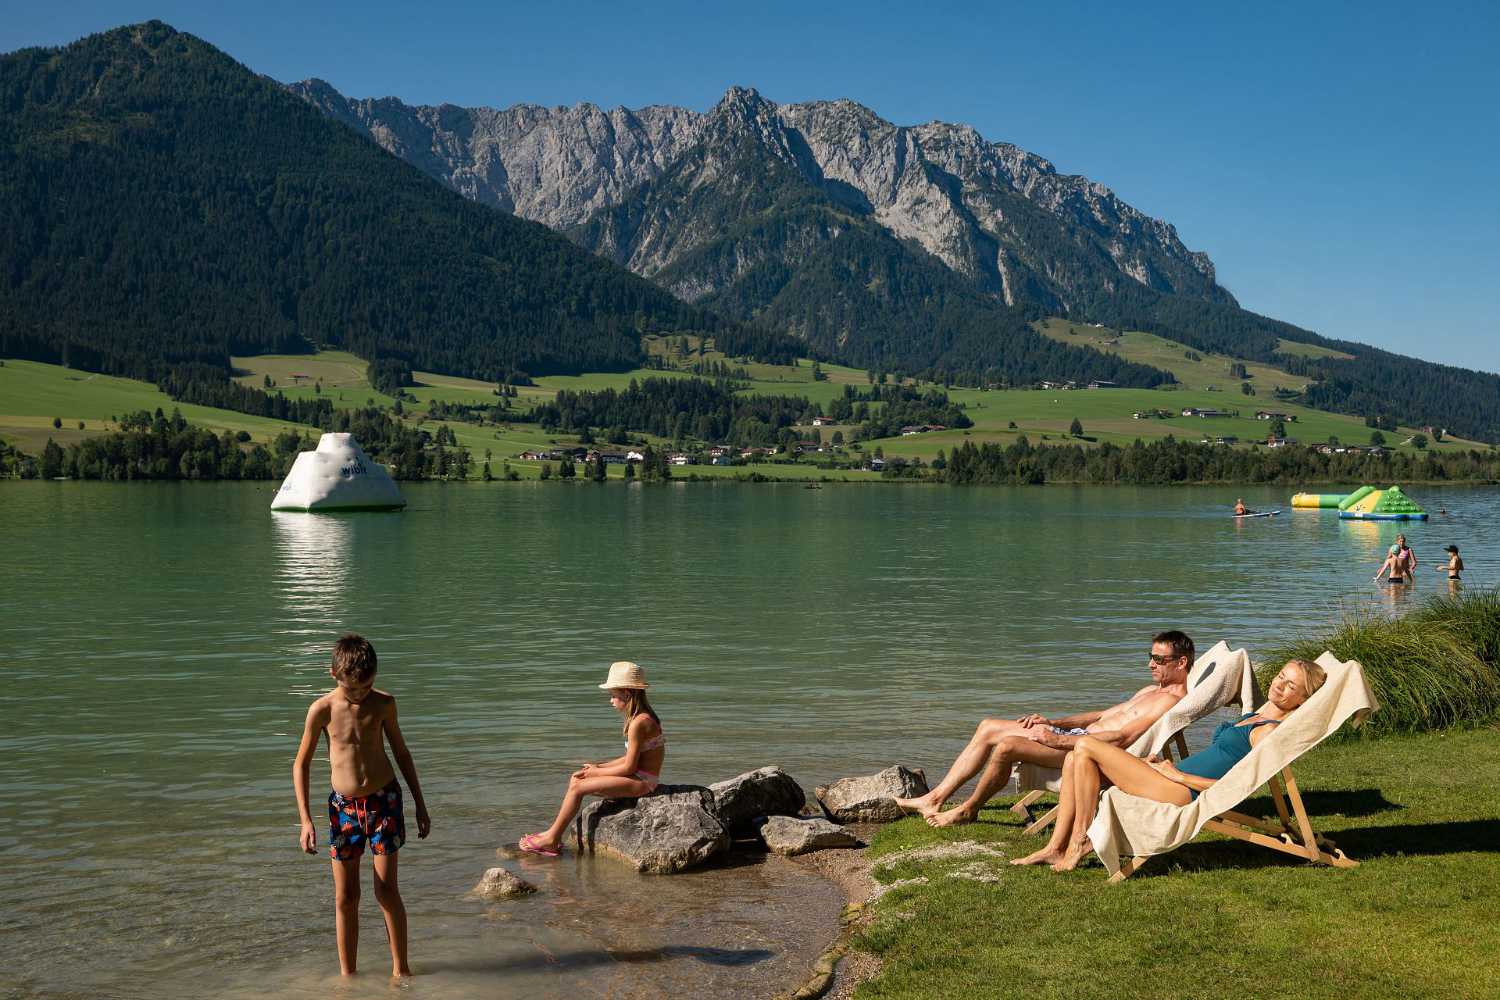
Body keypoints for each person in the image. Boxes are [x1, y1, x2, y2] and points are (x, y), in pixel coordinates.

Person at [1013, 658, 1325, 872]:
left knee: (1084, 746)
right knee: (1074, 757)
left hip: (1181, 791)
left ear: (1302, 699)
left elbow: (1236, 786)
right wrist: (1158, 766)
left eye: (1291, 686)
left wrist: (1178, 774)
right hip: (1169, 778)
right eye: (1281, 676)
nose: (1279, 685)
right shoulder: (1255, 716)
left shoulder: (1266, 732)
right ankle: (1056, 846)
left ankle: (1078, 842)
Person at [894, 632, 1194, 826]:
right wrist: (1054, 723)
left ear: (1181, 662)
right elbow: (1102, 715)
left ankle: (969, 809)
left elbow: (1123, 737)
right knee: (987, 727)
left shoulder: (1169, 702)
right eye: (1150, 657)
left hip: (1087, 750)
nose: (1150, 664)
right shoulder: (1150, 691)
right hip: (1076, 737)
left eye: (1159, 659)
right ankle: (934, 798)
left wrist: (1057, 740)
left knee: (1007, 746)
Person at [293, 634, 431, 978]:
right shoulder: (322, 709)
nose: (359, 695)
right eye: (352, 688)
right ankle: (348, 977)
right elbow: (301, 764)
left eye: (367, 686)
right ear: (333, 674)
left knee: (386, 890)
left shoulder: (383, 704)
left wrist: (420, 804)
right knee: (346, 896)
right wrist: (305, 820)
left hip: (384, 802)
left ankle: (401, 972)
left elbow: (401, 753)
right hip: (343, 809)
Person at [520, 661, 665, 857]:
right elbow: (630, 758)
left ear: (626, 694)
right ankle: (551, 832)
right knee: (576, 778)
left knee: (578, 787)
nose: (611, 700)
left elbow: (630, 767)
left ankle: (551, 840)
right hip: (640, 776)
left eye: (613, 695)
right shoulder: (643, 717)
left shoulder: (638, 723)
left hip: (644, 782)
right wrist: (599, 767)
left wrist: (596, 772)